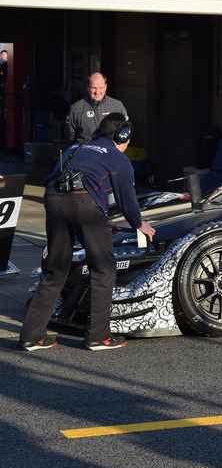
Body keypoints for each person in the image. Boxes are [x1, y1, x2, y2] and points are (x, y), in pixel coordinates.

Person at [18, 113, 155, 351]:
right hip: (84, 205)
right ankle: (98, 337)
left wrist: (97, 218)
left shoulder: (75, 148)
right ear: (122, 135)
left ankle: (31, 336)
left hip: (54, 200)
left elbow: (55, 181)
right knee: (103, 268)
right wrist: (138, 223)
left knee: (55, 269)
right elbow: (127, 200)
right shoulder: (118, 159)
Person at [67, 72, 128, 144]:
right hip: (86, 152)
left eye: (100, 88)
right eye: (94, 88)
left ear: (105, 87)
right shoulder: (76, 108)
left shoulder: (117, 106)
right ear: (87, 87)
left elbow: (125, 131)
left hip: (109, 152)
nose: (97, 92)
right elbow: (70, 136)